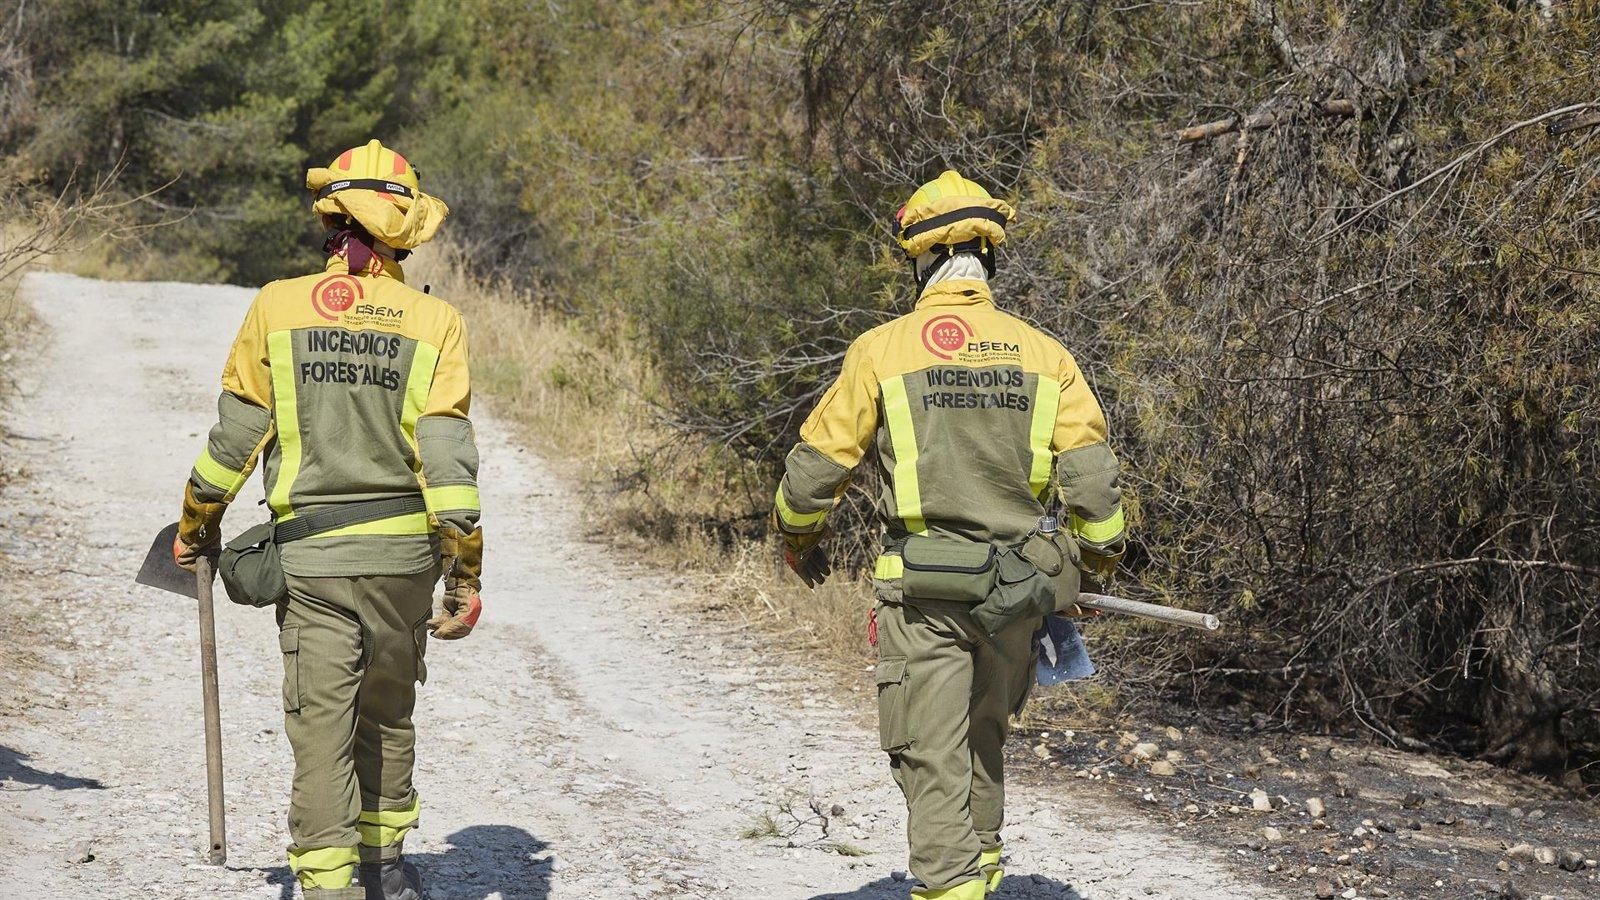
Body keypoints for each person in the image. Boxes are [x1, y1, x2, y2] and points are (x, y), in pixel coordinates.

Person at [772, 171, 1126, 899]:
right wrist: (1092, 571)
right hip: (1018, 592)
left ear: (921, 260)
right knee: (983, 738)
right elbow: (1094, 489)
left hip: (925, 592)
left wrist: (796, 537)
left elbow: (813, 476)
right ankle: (981, 871)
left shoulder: (883, 350)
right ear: (988, 258)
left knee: (930, 754)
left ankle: (950, 887)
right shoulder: (1045, 354)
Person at [173, 140, 484, 900]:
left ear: (330, 218)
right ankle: (386, 870)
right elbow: (448, 463)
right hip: (404, 562)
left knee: (321, 731)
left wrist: (195, 524)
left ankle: (327, 886)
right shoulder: (435, 322)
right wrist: (464, 573)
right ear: (403, 228)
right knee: (387, 716)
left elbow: (236, 439)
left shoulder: (277, 305)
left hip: (312, 566)